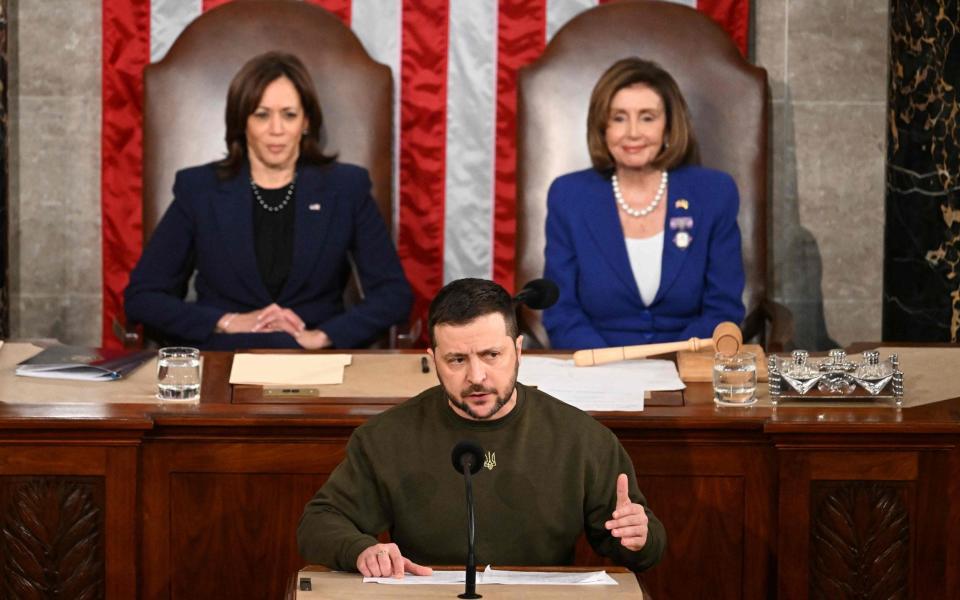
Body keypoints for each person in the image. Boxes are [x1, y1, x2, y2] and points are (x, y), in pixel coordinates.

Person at [297, 278, 666, 577]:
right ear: (433, 361)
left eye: (492, 355)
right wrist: (361, 549)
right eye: (457, 359)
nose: (476, 376)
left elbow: (644, 550)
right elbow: (319, 522)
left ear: (519, 351)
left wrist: (639, 537)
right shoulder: (388, 436)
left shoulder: (582, 439)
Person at [124, 52, 412, 350]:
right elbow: (143, 297)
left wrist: (325, 335)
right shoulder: (200, 190)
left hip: (315, 361)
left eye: (289, 114)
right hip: (225, 358)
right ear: (242, 122)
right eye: (261, 115)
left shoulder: (346, 188)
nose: (277, 130)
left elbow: (393, 295)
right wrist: (227, 321)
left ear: (306, 122)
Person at [543, 57, 745, 350]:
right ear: (602, 127)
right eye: (619, 118)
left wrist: (667, 364)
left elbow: (723, 308)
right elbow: (561, 312)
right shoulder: (569, 196)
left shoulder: (714, 193)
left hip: (688, 368)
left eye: (647, 117)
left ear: (668, 127)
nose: (633, 132)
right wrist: (612, 369)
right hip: (597, 371)